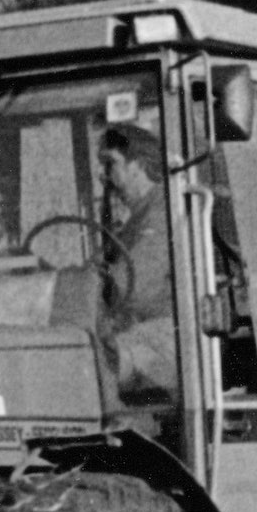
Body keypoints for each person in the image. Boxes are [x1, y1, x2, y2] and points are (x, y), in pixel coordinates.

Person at [93, 119, 177, 405]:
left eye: (110, 164)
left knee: (91, 366)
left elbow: (131, 287)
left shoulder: (163, 212)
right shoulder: (135, 220)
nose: (103, 176)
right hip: (140, 329)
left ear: (138, 164)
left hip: (168, 336)